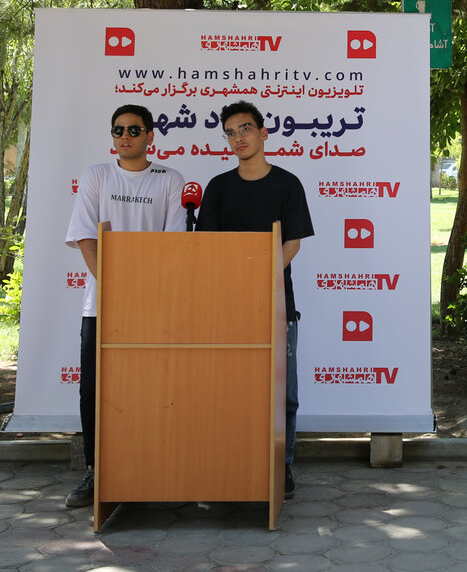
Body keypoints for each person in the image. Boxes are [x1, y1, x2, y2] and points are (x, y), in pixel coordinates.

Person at [63, 105, 187, 507]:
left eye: (134, 130)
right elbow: (87, 238)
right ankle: (95, 470)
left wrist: (143, 294)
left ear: (150, 136)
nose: (125, 136)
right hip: (103, 304)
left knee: (151, 388)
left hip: (154, 305)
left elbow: (173, 245)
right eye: (118, 130)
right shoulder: (97, 175)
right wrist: (117, 288)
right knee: (94, 389)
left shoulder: (170, 180)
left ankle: (150, 470)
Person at [196, 100, 314, 498]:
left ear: (263, 133)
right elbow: (207, 249)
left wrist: (260, 276)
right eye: (230, 133)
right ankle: (232, 462)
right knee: (231, 389)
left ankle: (283, 464)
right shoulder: (218, 187)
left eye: (245, 129)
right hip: (226, 305)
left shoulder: (287, 184)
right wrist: (234, 282)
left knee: (284, 394)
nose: (238, 138)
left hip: (277, 303)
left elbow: (292, 243)